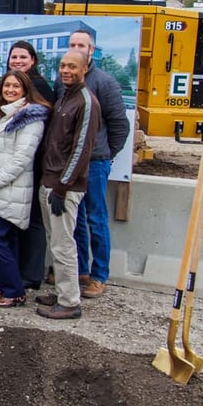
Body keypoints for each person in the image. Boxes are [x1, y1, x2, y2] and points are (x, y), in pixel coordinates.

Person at [0, 70, 50, 308]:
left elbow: (20, 161)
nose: (11, 90)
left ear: (25, 90)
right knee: (6, 239)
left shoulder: (29, 118)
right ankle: (7, 286)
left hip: (8, 190)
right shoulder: (1, 116)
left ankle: (14, 291)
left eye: (16, 86)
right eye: (7, 86)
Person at [63, 29, 130, 299]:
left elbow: (119, 124)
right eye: (72, 45)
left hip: (95, 163)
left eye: (82, 45)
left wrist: (105, 153)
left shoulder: (104, 82)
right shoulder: (64, 81)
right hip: (70, 163)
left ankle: (99, 275)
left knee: (96, 218)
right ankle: (79, 269)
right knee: (74, 219)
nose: (77, 48)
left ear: (92, 50)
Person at [34, 50, 100, 320]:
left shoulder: (86, 102)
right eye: (62, 66)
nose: (66, 70)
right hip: (49, 182)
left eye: (72, 66)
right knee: (55, 242)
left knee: (63, 245)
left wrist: (63, 187)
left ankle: (70, 301)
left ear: (85, 69)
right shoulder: (65, 97)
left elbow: (82, 149)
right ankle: (62, 292)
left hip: (63, 188)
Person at [7, 40, 54, 289]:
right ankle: (20, 269)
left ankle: (32, 273)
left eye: (22, 57)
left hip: (34, 163)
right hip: (18, 163)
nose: (17, 61)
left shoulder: (38, 87)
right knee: (18, 219)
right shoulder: (19, 85)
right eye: (14, 57)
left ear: (33, 60)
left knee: (33, 219)